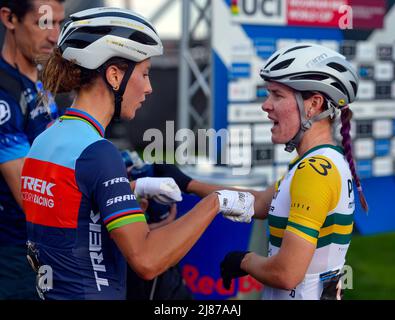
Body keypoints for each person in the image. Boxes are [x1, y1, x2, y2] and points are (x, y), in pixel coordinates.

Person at [20, 7, 255, 300]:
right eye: (144, 74)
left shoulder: (46, 139)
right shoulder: (98, 152)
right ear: (115, 75)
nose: (149, 88)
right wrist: (215, 203)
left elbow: (77, 220)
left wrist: (136, 190)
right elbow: (147, 261)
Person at [158, 43, 368, 300]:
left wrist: (244, 261)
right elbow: (258, 203)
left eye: (277, 95)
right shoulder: (321, 163)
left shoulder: (314, 172)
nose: (266, 105)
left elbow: (286, 273)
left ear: (314, 104)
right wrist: (187, 183)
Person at [0, 0, 64, 299]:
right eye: (44, 23)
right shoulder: (3, 93)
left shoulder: (41, 83)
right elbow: (32, 198)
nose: (54, 36)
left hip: (44, 248)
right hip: (11, 254)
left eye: (58, 23)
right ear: (10, 19)